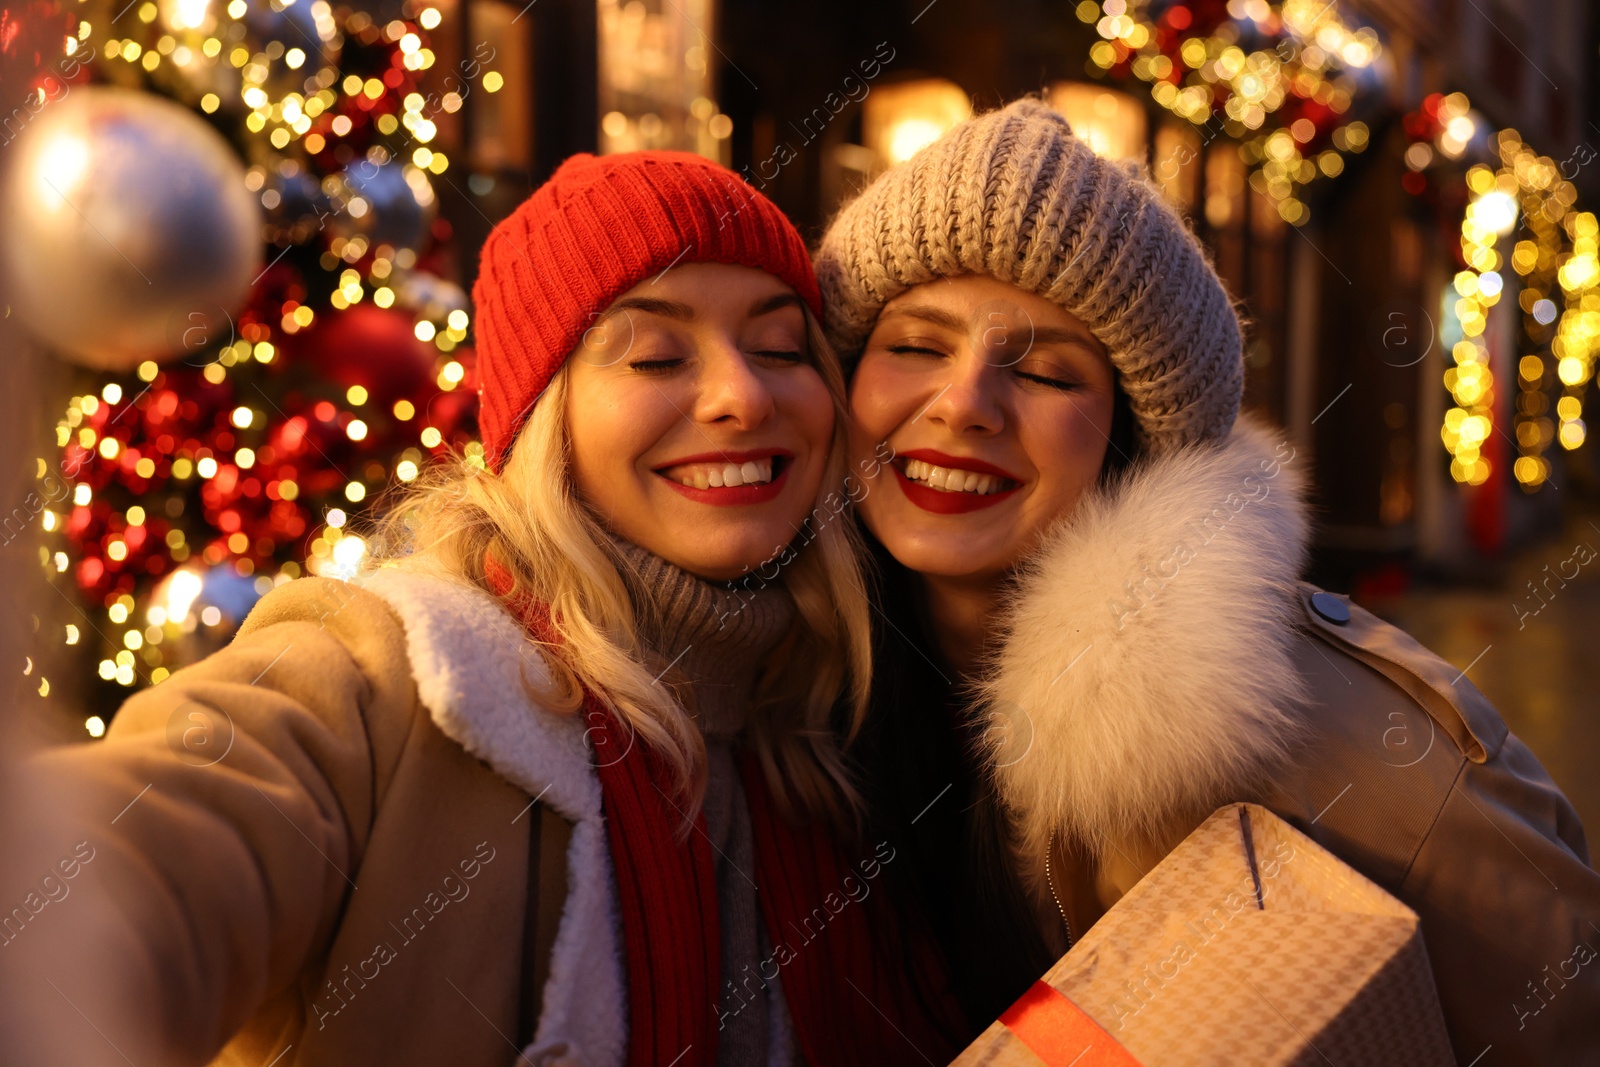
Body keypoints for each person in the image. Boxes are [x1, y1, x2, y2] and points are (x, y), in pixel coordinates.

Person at [28, 152, 954, 1067]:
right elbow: (147, 858)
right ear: (544, 421)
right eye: (656, 354)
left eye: (781, 349)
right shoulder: (394, 676)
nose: (743, 396)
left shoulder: (849, 725)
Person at [817, 97, 1600, 1064]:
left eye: (1049, 374)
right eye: (915, 345)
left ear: (1132, 438)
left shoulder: (1338, 744)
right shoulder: (798, 685)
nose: (965, 403)